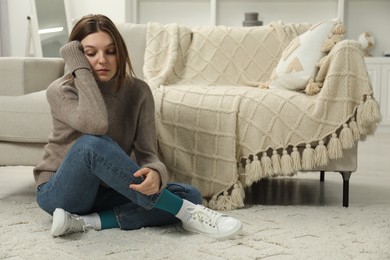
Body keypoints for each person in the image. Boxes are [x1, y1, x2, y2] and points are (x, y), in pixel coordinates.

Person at [33, 14, 242, 240]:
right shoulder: (62, 91)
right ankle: (187, 213)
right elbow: (96, 124)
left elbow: (148, 153)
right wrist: (80, 71)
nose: (102, 60)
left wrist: (155, 173)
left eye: (110, 51)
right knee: (90, 144)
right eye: (90, 53)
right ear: (77, 58)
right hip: (60, 192)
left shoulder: (139, 91)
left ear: (120, 53)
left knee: (189, 194)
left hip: (106, 190)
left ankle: (86, 222)